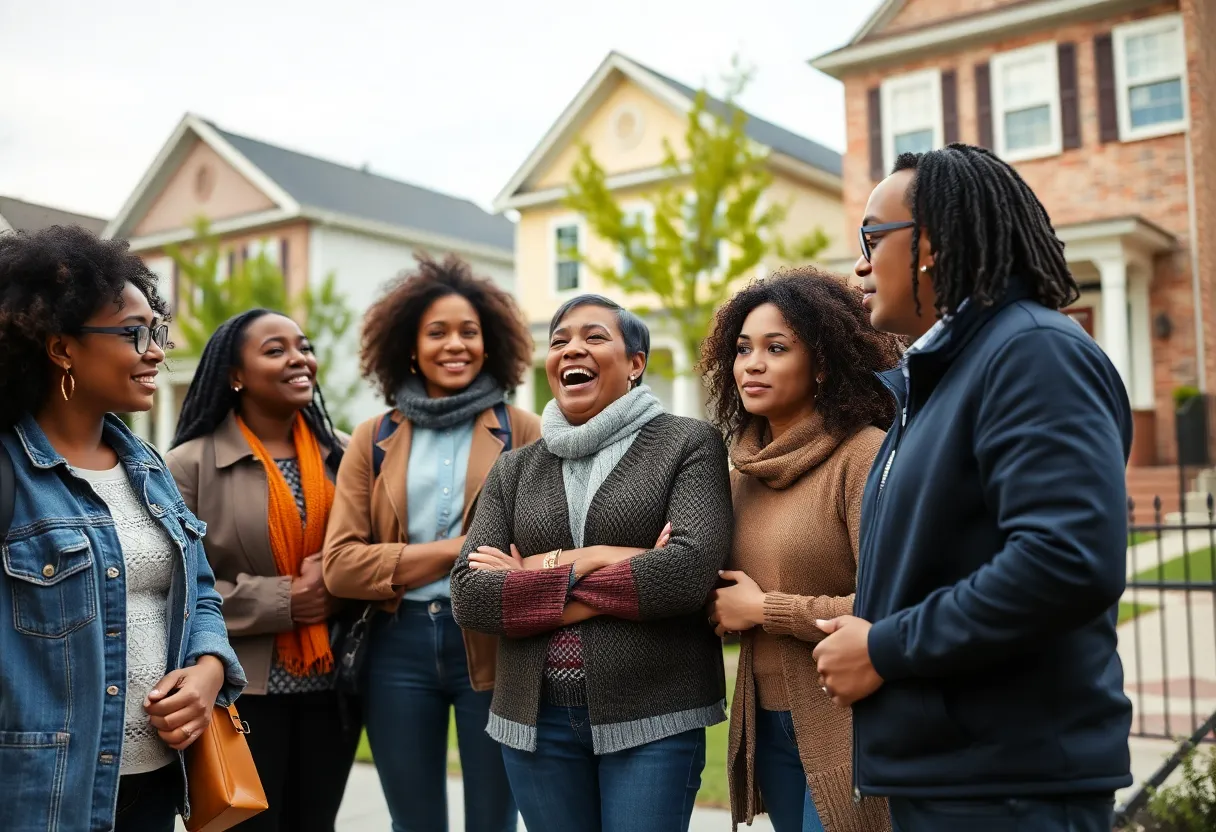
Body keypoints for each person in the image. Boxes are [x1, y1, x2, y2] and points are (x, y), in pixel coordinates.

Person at [812, 144, 1133, 832]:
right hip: (955, 777)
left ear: (930, 244)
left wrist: (884, 648)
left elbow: (1064, 560)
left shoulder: (1032, 353)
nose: (858, 266)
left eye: (873, 236)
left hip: (1010, 788)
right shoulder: (937, 381)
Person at [450, 293, 734, 832]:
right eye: (559, 340)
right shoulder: (513, 469)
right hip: (533, 724)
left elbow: (686, 576)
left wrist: (538, 571)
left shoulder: (689, 443)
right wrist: (623, 563)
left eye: (594, 337)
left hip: (655, 715)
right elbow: (471, 596)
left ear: (635, 363)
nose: (571, 348)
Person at [0, 225, 245, 832]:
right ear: (61, 349)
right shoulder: (9, 472)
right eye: (133, 334)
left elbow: (201, 592)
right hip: (46, 797)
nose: (156, 350)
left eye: (156, 331)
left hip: (157, 784)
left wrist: (209, 669)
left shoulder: (147, 467)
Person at [323, 253, 539, 832]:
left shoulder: (522, 430)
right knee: (414, 823)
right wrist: (460, 549)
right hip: (397, 648)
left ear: (490, 342)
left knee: (493, 821)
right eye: (437, 332)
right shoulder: (373, 436)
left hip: (496, 645)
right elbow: (341, 566)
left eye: (469, 331)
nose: (455, 344)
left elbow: (545, 545)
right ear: (409, 347)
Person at [702, 270, 900, 832]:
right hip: (767, 720)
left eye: (776, 348)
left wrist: (766, 611)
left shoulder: (862, 456)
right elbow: (721, 593)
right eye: (742, 350)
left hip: (847, 716)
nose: (752, 364)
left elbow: (889, 607)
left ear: (823, 364)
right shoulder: (742, 471)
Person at [166, 309, 357, 832]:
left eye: (303, 346)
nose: (299, 359)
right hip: (238, 692)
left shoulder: (345, 454)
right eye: (275, 350)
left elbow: (375, 553)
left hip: (332, 684)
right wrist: (284, 600)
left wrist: (340, 583)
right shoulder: (188, 464)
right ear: (235, 374)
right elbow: (173, 590)